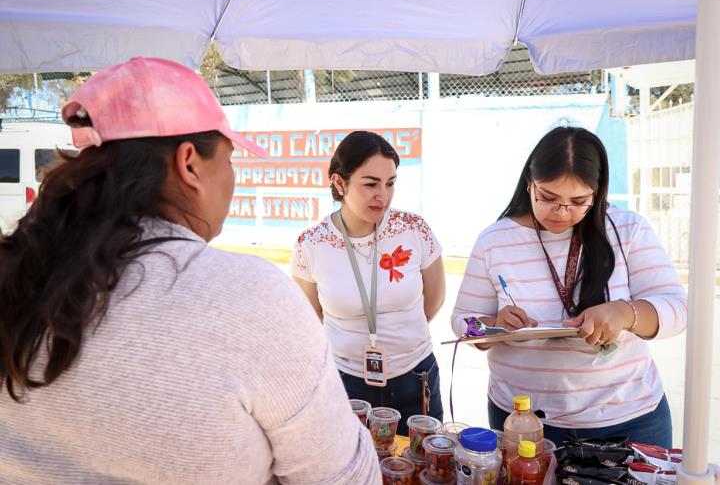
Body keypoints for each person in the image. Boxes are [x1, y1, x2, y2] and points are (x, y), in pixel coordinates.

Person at [0, 57, 380, 484]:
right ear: (189, 163)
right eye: (229, 160)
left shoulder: (17, 271)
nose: (232, 178)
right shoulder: (249, 298)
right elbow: (346, 478)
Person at [451, 126, 686, 448]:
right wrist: (492, 326)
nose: (562, 212)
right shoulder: (495, 240)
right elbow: (464, 324)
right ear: (529, 183)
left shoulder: (628, 229)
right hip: (525, 420)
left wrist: (624, 313)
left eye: (579, 201)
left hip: (628, 417)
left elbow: (678, 309)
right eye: (547, 198)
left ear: (598, 192)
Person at [291, 130, 446, 436]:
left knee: (422, 469)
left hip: (415, 375)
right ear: (339, 183)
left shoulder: (413, 229)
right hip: (346, 380)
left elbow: (436, 297)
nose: (383, 195)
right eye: (371, 184)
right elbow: (313, 318)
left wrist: (398, 339)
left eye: (390, 183)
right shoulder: (311, 244)